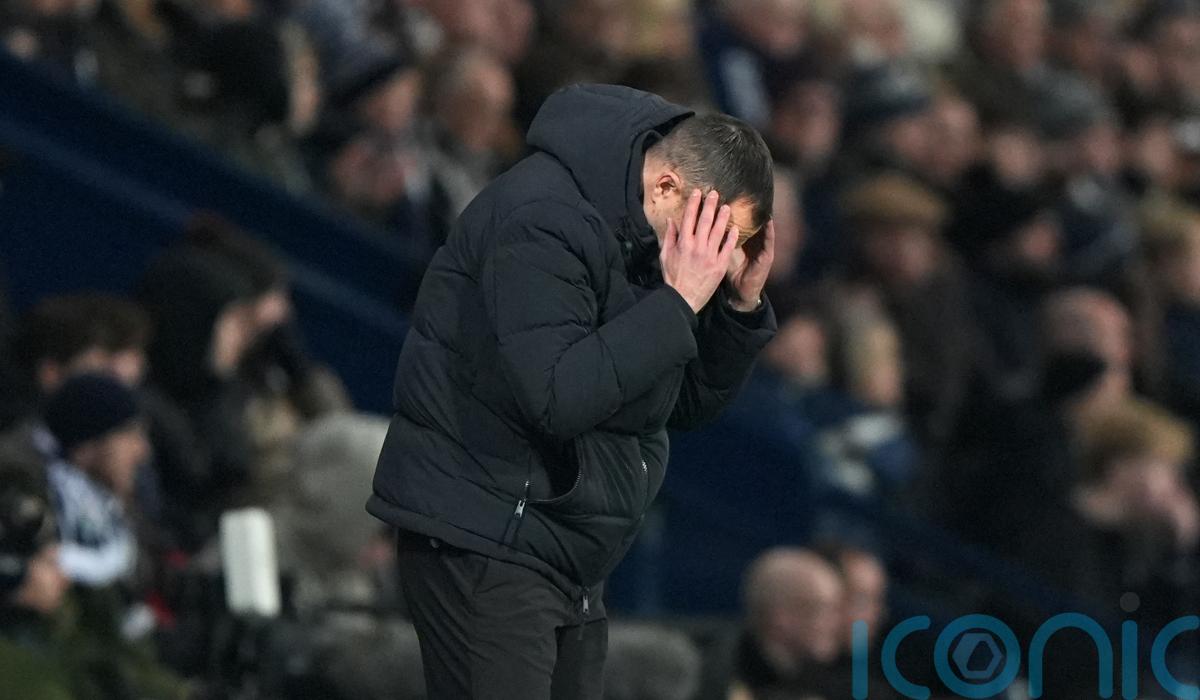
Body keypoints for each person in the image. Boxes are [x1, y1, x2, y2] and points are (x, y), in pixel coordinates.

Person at [368, 83, 777, 698]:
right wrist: (677, 302)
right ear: (667, 187)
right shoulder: (543, 218)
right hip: (487, 536)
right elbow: (557, 396)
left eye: (733, 242)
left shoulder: (652, 241)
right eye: (718, 232)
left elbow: (676, 405)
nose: (717, 257)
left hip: (567, 553)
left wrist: (738, 311)